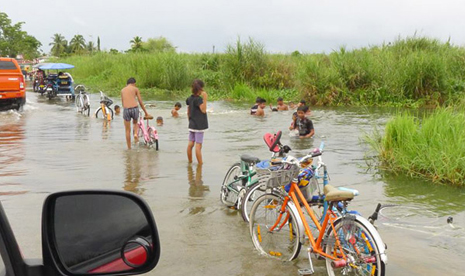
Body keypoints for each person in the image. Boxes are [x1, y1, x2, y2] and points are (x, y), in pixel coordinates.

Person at [121, 77, 150, 149]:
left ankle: (129, 148)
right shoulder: (135, 89)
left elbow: (123, 103)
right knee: (135, 123)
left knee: (127, 130)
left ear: (127, 84)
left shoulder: (122, 90)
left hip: (126, 109)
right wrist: (146, 112)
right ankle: (135, 134)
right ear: (134, 83)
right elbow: (140, 101)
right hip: (134, 108)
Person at [187, 79, 208, 164]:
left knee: (190, 144)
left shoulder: (189, 99)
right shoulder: (199, 100)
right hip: (199, 125)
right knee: (198, 145)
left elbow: (188, 112)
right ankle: (200, 164)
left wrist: (190, 121)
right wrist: (205, 99)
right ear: (200, 89)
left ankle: (190, 161)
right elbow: (203, 110)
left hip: (192, 124)